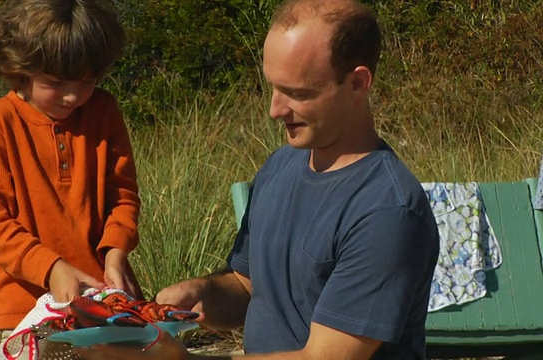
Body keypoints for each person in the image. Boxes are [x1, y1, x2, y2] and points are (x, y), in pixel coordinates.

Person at [76, 0, 439, 359]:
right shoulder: (282, 165)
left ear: (358, 83)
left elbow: (325, 357)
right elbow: (250, 288)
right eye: (273, 87)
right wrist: (204, 293)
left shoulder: (386, 212)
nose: (275, 109)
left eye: (297, 93)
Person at [0, 0, 143, 357]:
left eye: (86, 82)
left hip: (107, 303)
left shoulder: (103, 110)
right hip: (24, 309)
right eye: (54, 82)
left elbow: (122, 197)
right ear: (21, 69)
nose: (71, 95)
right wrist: (52, 269)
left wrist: (115, 253)